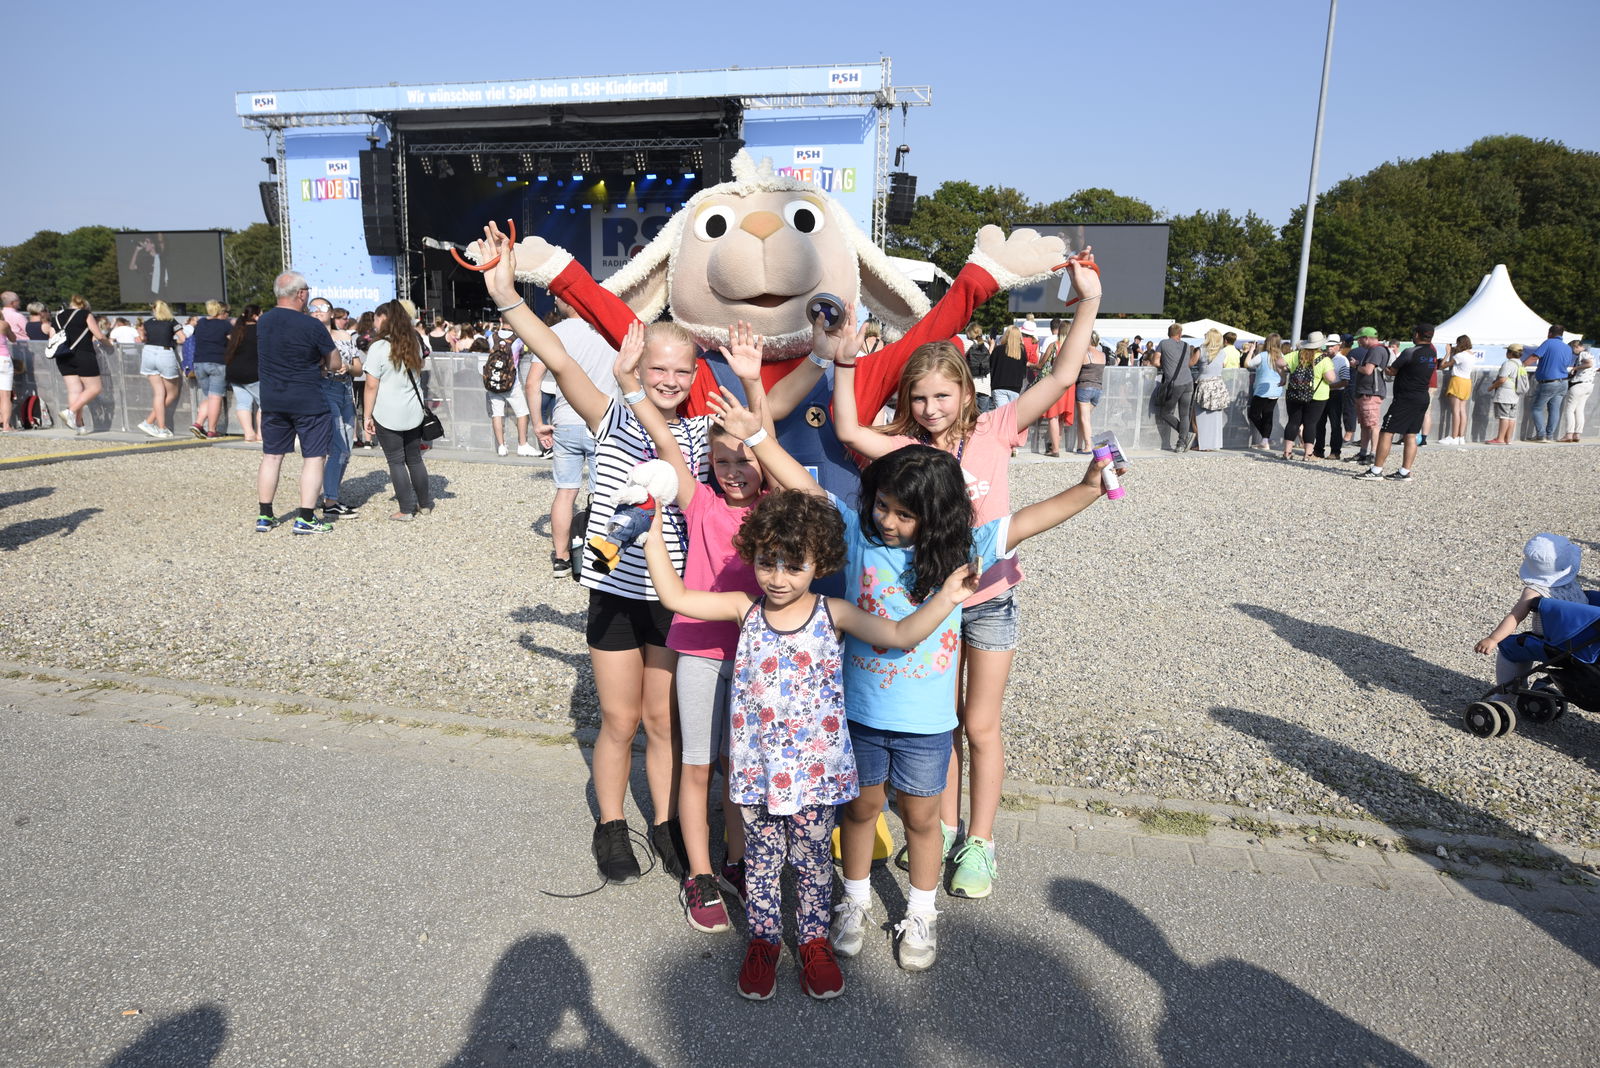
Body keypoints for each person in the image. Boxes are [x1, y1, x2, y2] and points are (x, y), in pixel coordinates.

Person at [831, 252, 1101, 904]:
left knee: (981, 724)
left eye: (941, 396)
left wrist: (1086, 303)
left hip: (991, 600)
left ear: (967, 394)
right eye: (917, 398)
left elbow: (1064, 372)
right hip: (929, 605)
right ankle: (943, 828)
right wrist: (842, 361)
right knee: (940, 721)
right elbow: (844, 427)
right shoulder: (904, 450)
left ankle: (979, 842)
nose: (928, 408)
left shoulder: (998, 426)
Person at [644, 484, 979, 1001]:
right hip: (756, 771)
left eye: (793, 565)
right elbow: (675, 597)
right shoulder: (742, 608)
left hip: (814, 774)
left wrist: (947, 597)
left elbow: (900, 635)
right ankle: (763, 941)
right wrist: (653, 536)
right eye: (767, 562)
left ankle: (815, 941)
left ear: (819, 562)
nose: (777, 578)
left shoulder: (834, 613)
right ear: (753, 553)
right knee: (759, 861)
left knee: (813, 860)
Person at [484, 223, 708, 887]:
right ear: (635, 365)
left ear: (693, 377)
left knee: (662, 720)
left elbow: (694, 489)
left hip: (673, 600)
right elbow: (555, 358)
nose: (666, 379)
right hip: (613, 590)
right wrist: (504, 294)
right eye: (655, 368)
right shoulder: (610, 416)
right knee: (617, 718)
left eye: (679, 371)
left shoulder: (698, 435)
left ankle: (665, 823)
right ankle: (612, 822)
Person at [526, 302, 620, 578]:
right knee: (604, 492)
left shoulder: (554, 332)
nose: (553, 301)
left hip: (565, 420)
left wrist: (538, 423)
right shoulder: (608, 331)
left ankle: (561, 558)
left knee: (566, 492)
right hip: (603, 420)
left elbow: (533, 382)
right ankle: (600, 556)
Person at [254, 271, 338, 534]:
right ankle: (306, 517)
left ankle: (265, 516)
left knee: (271, 456)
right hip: (307, 398)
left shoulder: (263, 321)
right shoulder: (311, 325)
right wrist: (323, 365)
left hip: (272, 398)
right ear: (301, 294)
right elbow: (334, 362)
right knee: (314, 457)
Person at [1474, 533, 1590, 698]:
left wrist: (1493, 639)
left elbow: (1515, 617)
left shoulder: (1534, 592)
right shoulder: (1571, 581)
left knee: (1510, 647)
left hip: (1558, 645)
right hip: (1587, 642)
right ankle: (1523, 687)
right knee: (1524, 644)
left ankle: (1505, 694)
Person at [361, 300, 433, 521]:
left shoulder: (379, 347)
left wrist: (366, 415)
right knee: (415, 459)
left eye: (376, 317)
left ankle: (406, 508)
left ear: (383, 317)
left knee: (395, 460)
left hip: (387, 411)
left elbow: (371, 385)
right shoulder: (414, 342)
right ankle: (425, 503)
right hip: (413, 410)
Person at [1358, 323, 1438, 482]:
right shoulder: (1432, 352)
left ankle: (1376, 470)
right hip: (1422, 396)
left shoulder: (1410, 352)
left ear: (1417, 334)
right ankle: (1404, 471)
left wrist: (1384, 367)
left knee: (1386, 431)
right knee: (1411, 434)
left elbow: (1391, 370)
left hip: (1405, 398)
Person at [308, 297, 361, 518]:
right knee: (338, 446)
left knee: (346, 448)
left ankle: (332, 495)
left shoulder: (345, 336)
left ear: (332, 313)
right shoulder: (309, 336)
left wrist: (347, 366)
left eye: (323, 308)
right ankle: (330, 500)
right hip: (325, 390)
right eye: (314, 308)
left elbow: (359, 369)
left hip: (346, 391)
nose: (318, 311)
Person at [50, 295, 108, 433]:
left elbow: (52, 338)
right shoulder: (85, 314)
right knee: (95, 388)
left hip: (63, 356)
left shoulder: (57, 317)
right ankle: (71, 411)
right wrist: (109, 343)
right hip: (83, 354)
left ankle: (79, 425)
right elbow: (99, 335)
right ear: (85, 306)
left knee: (75, 390)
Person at [1280, 333, 1336, 462]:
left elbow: (1278, 362)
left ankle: (1287, 452)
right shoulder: (1324, 359)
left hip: (1294, 393)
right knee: (1310, 424)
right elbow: (1331, 379)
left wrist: (1283, 377)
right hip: (1317, 396)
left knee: (1293, 422)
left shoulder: (1296, 355)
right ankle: (1308, 455)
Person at [480, 330, 536, 458]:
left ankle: (501, 446)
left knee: (497, 413)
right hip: (511, 383)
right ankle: (522, 445)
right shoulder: (518, 338)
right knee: (522, 413)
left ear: (500, 319)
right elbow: (523, 352)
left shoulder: (491, 337)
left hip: (494, 381)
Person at [132, 300, 183, 438]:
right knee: (172, 393)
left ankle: (159, 427)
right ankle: (151, 422)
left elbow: (143, 338)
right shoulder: (171, 321)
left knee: (159, 394)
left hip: (148, 352)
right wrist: (172, 341)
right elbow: (183, 339)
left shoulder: (147, 323)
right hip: (165, 353)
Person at [1522, 325, 1576, 442]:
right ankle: (1549, 436)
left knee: (1536, 408)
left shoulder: (1548, 343)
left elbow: (1533, 357)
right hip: (1563, 382)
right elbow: (1566, 364)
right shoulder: (1567, 348)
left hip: (1548, 382)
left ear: (1550, 333)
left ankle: (1541, 435)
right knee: (1554, 410)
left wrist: (1520, 366)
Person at [189, 300, 233, 438]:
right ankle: (212, 430)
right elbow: (233, 341)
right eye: (227, 313)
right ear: (222, 312)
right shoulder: (225, 324)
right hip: (217, 362)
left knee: (208, 396)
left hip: (199, 362)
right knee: (215, 397)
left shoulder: (201, 323)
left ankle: (198, 423)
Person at [1348, 327, 1389, 465]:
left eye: (1359, 339)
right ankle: (1363, 453)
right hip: (1365, 392)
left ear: (1366, 338)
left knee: (1372, 425)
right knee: (1365, 425)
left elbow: (1368, 370)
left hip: (1371, 392)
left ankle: (1373, 454)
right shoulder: (1374, 350)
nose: (1358, 342)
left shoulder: (1376, 350)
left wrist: (1355, 365)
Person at [1154, 323, 1197, 452]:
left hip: (1174, 384)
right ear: (1180, 334)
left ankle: (1184, 436)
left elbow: (1156, 362)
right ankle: (1181, 442)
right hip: (1188, 381)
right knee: (1184, 414)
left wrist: (1165, 366)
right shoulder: (1186, 345)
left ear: (1169, 333)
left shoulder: (1163, 343)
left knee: (1165, 413)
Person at [1038, 321, 1078, 457]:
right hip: (1070, 385)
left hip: (1056, 383)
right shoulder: (1074, 348)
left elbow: (1041, 364)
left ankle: (1055, 449)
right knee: (1060, 418)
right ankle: (1056, 446)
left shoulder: (1054, 345)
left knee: (1052, 417)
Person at [224, 305, 262, 443]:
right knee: (264, 404)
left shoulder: (237, 330)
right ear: (255, 316)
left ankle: (248, 434)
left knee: (243, 404)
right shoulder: (260, 330)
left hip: (234, 372)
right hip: (253, 372)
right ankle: (261, 435)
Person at [1311, 333, 1349, 459]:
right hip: (1322, 394)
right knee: (1319, 423)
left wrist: (1328, 386)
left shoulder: (1343, 360)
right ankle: (1318, 450)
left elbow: (1345, 381)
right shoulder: (1322, 358)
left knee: (1335, 423)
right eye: (1327, 346)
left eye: (1332, 346)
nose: (1329, 349)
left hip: (1336, 394)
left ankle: (1335, 451)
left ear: (1339, 346)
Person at [1244, 333, 1284, 448]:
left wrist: (1251, 351)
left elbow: (1247, 364)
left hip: (1262, 390)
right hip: (1276, 389)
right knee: (1267, 415)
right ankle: (1265, 440)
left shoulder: (1262, 355)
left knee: (1254, 414)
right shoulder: (1281, 355)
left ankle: (1266, 439)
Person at [1437, 335, 1479, 444]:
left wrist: (1447, 353)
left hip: (1457, 381)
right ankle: (1461, 437)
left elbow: (1442, 366)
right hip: (1467, 382)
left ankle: (1454, 437)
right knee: (1462, 410)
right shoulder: (1472, 355)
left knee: (1455, 410)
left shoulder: (1460, 356)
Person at [1192, 328, 1228, 452]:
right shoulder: (1222, 352)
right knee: (1215, 417)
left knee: (1200, 416)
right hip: (1218, 384)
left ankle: (1203, 444)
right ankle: (1213, 444)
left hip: (1204, 384)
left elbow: (1190, 364)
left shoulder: (1201, 351)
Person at [1073, 331, 1108, 452]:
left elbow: (1074, 369)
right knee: (1083, 418)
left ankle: (1088, 446)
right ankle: (1079, 446)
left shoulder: (1085, 354)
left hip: (1084, 388)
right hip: (1098, 389)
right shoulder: (1103, 355)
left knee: (1084, 419)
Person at [1485, 345, 1524, 445]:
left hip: (1505, 393)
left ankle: (1500, 439)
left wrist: (1492, 387)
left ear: (1510, 353)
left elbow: (1502, 379)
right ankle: (1508, 439)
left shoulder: (1508, 364)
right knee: (1511, 417)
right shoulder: (1520, 364)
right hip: (1515, 394)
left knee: (1504, 416)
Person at [1556, 340, 1594, 443]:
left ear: (1576, 346)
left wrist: (1575, 368)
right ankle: (1577, 434)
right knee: (1579, 410)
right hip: (1589, 385)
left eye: (1572, 349)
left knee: (1570, 410)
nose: (1572, 352)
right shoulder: (1590, 353)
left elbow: (1589, 364)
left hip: (1578, 384)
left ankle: (1569, 434)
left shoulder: (1583, 353)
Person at [988, 326, 1029, 410]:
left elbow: (989, 364)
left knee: (1001, 415)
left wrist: (991, 346)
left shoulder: (998, 350)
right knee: (1011, 416)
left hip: (999, 386)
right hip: (1015, 387)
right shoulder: (1021, 352)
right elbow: (1024, 371)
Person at [0, 319, 14, 430]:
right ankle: (6, 425)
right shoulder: (3, 324)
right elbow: (13, 339)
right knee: (5, 395)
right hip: (3, 359)